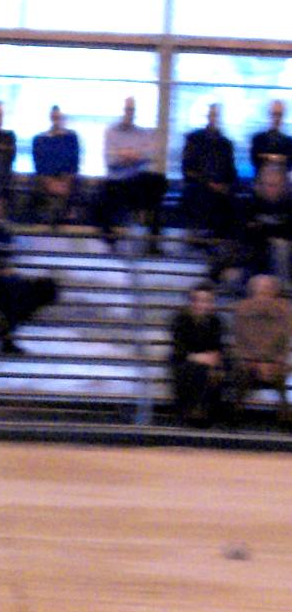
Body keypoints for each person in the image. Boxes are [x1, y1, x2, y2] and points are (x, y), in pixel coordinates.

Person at [0, 194, 59, 354]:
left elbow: (4, 260)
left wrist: (5, 269)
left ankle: (4, 333)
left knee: (45, 288)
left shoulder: (2, 233)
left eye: (1, 208)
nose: (0, 212)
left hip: (0, 279)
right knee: (10, 291)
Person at [98, 97, 167, 254]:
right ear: (121, 111)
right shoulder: (111, 132)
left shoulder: (141, 133)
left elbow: (150, 154)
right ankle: (111, 241)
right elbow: (110, 159)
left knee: (159, 182)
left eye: (132, 110)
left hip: (135, 181)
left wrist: (127, 155)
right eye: (127, 110)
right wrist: (132, 156)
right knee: (103, 196)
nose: (129, 113)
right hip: (116, 182)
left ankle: (153, 241)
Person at [230, 274, 291, 424]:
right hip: (250, 361)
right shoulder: (242, 309)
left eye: (268, 290)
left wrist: (275, 361)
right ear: (253, 292)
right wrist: (256, 362)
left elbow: (285, 340)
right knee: (240, 369)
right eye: (261, 291)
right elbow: (240, 341)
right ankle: (236, 412)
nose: (264, 295)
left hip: (276, 361)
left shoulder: (285, 310)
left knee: (283, 371)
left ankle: (286, 414)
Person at [170, 280, 226, 427]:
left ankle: (209, 415)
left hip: (208, 361)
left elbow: (217, 347)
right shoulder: (180, 320)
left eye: (208, 301)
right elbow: (179, 350)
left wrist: (214, 359)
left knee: (219, 370)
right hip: (185, 361)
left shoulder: (215, 322)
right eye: (199, 301)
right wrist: (199, 357)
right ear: (192, 302)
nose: (203, 305)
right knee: (195, 370)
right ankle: (193, 413)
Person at [182, 103, 239, 241]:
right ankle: (201, 237)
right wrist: (209, 183)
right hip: (199, 185)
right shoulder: (194, 139)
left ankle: (223, 241)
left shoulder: (226, 144)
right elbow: (187, 169)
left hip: (221, 187)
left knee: (235, 199)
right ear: (207, 116)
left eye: (216, 115)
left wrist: (227, 186)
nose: (214, 118)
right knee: (201, 194)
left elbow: (231, 171)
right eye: (212, 114)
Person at [234, 163, 292, 292]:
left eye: (273, 185)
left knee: (280, 246)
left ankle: (284, 292)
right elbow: (245, 233)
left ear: (284, 186)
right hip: (254, 258)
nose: (268, 189)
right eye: (265, 184)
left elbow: (288, 232)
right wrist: (273, 230)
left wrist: (264, 229)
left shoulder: (289, 205)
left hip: (286, 261)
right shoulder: (247, 204)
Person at [31, 104, 80, 225]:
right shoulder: (39, 139)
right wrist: (50, 183)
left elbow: (74, 164)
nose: (57, 119)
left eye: (59, 116)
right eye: (54, 116)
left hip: (67, 183)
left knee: (70, 195)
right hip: (46, 183)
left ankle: (62, 216)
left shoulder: (71, 138)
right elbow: (39, 166)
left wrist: (64, 183)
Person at [249, 99, 292, 176]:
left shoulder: (289, 142)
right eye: (274, 114)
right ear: (269, 115)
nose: (276, 118)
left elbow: (289, 164)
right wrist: (280, 158)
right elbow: (255, 161)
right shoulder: (258, 139)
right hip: (261, 183)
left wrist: (267, 157)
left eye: (279, 115)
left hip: (281, 184)